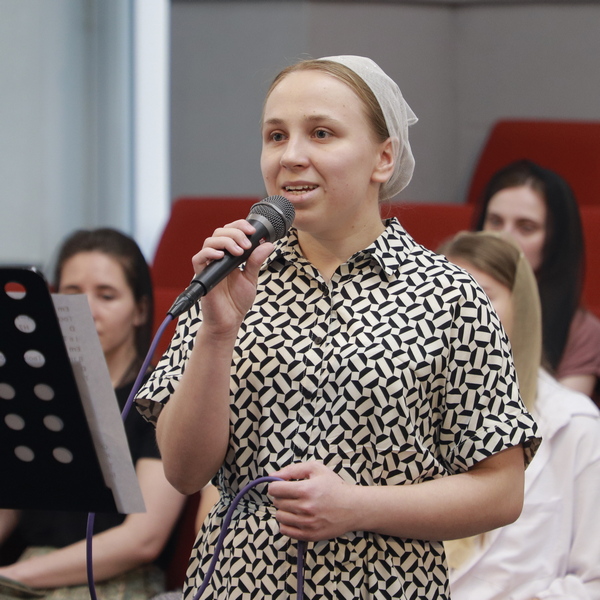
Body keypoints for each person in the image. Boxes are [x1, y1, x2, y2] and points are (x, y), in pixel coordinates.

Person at [135, 55, 540, 600]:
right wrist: (216, 333)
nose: (291, 156)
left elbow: (502, 492)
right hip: (235, 582)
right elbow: (184, 473)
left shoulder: (451, 297)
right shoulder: (229, 278)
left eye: (321, 133)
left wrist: (358, 506)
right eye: (276, 136)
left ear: (383, 158)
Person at [0, 228, 186, 599]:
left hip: (112, 579)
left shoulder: (161, 395)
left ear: (140, 310)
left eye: (106, 295)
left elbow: (142, 540)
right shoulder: (35, 390)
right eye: (72, 294)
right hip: (26, 570)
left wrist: (11, 575)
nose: (86, 310)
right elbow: (11, 506)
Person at [439, 230, 600, 599]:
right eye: (441, 297)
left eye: (479, 296)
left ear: (521, 310)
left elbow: (594, 580)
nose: (455, 313)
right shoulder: (400, 414)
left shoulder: (576, 424)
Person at [473, 159, 600, 403]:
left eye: (526, 227)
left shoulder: (582, 332)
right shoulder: (448, 298)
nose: (503, 238)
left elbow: (565, 420)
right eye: (495, 221)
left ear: (553, 241)